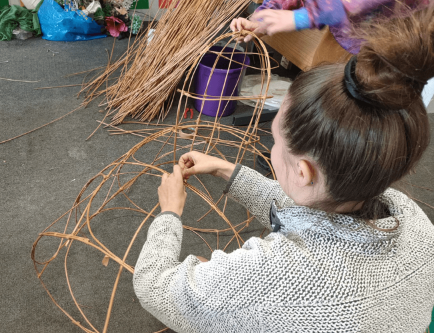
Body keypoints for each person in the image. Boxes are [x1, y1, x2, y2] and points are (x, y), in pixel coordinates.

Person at [133, 6, 434, 333]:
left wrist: (169, 213)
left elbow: (153, 286)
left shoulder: (280, 276)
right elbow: (310, 207)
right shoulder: (411, 217)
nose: (272, 148)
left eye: (275, 141)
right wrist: (226, 171)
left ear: (304, 171)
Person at [230, 0, 434, 107]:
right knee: (320, 98)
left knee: (368, 114)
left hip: (393, 45)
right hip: (344, 32)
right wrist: (263, 17)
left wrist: (305, 17)